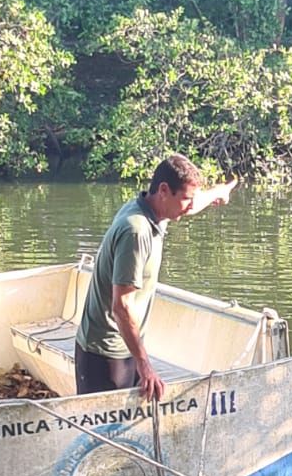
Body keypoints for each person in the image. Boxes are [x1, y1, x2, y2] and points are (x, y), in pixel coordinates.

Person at [74, 154, 237, 400]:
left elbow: (193, 202)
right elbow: (121, 306)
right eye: (185, 199)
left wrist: (218, 192)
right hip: (105, 354)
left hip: (123, 345)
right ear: (163, 190)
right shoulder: (136, 231)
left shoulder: (151, 210)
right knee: (104, 435)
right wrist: (145, 365)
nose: (190, 205)